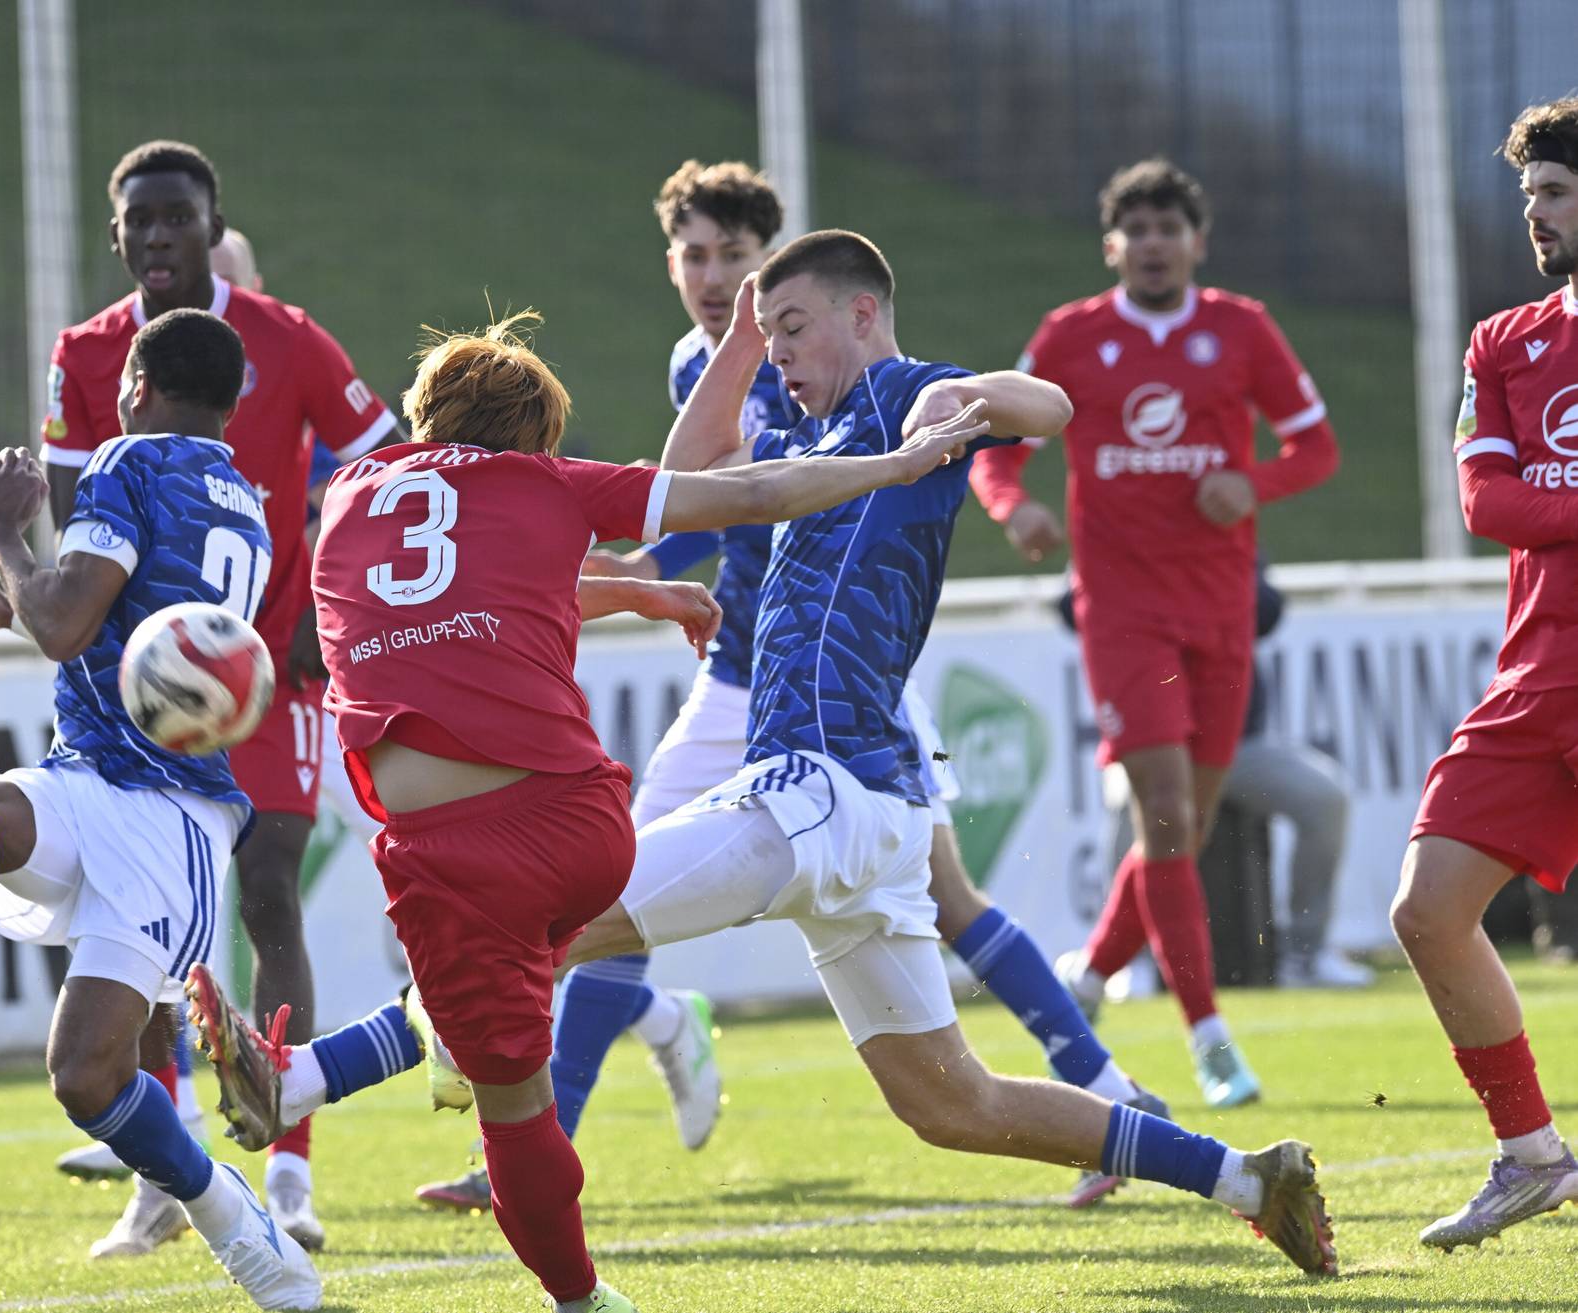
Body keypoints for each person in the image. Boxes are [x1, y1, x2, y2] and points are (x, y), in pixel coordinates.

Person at [200, 237, 1338, 1283]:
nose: (779, 353)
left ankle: (301, 1077)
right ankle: (1247, 1176)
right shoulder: (800, 431)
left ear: (861, 312)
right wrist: (739, 347)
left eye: (793, 327)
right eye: (770, 333)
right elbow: (696, 470)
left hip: (822, 785)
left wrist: (967, 399)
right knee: (957, 1105)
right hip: (864, 808)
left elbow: (1053, 403)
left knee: (535, 922)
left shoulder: (905, 395)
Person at [423, 159, 1166, 1217]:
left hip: (841, 691)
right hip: (749, 676)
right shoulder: (724, 358)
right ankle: (549, 1137)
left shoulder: (855, 359)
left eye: (738, 259)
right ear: (672, 263)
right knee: (607, 888)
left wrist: (965, 401)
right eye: (698, 256)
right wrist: (654, 584)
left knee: (943, 903)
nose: (717, 278)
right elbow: (710, 492)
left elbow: (1024, 407)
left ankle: (1106, 1089)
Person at [0, 309, 320, 1310]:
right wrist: (19, 601)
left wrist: (7, 531)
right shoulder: (250, 502)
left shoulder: (126, 461)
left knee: (84, 1077)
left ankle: (229, 1214)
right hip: (104, 779)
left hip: (164, 815)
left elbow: (66, 624)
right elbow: (119, 634)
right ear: (232, 405)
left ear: (136, 384)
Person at [38, 141, 401, 1250]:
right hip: (133, 686)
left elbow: (379, 459)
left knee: (270, 894)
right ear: (117, 236)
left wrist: (314, 604)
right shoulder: (88, 354)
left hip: (270, 666)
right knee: (138, 908)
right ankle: (166, 1152)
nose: (157, 238)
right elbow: (68, 497)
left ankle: (290, 1167)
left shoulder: (284, 338)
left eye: (176, 219)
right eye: (138, 221)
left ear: (212, 226)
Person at [970, 159, 1340, 1108]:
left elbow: (1316, 447)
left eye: (1168, 226)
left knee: (1187, 824)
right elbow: (995, 448)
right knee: (1168, 814)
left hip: (1219, 612)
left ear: (1196, 242)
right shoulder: (1073, 336)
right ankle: (1208, 1035)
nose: (1152, 242)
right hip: (1123, 612)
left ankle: (1087, 979)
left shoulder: (1242, 328)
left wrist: (1250, 483)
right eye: (1134, 228)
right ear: (1112, 246)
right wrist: (1015, 510)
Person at [1390, 97, 1578, 1250]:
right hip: (1537, 674)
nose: (1537, 218)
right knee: (1425, 909)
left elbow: (1526, 498)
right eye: (1530, 200)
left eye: (1554, 195)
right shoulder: (1503, 342)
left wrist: (1549, 505)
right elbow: (1484, 500)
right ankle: (1530, 1155)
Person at [1080, 566, 1369, 992]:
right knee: (1130, 811)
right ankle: (1129, 962)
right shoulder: (1122, 524)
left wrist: (1204, 582)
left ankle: (1306, 956)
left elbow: (1269, 610)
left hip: (1238, 744)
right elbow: (1074, 604)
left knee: (1326, 798)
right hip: (1155, 749)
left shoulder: (1220, 523)